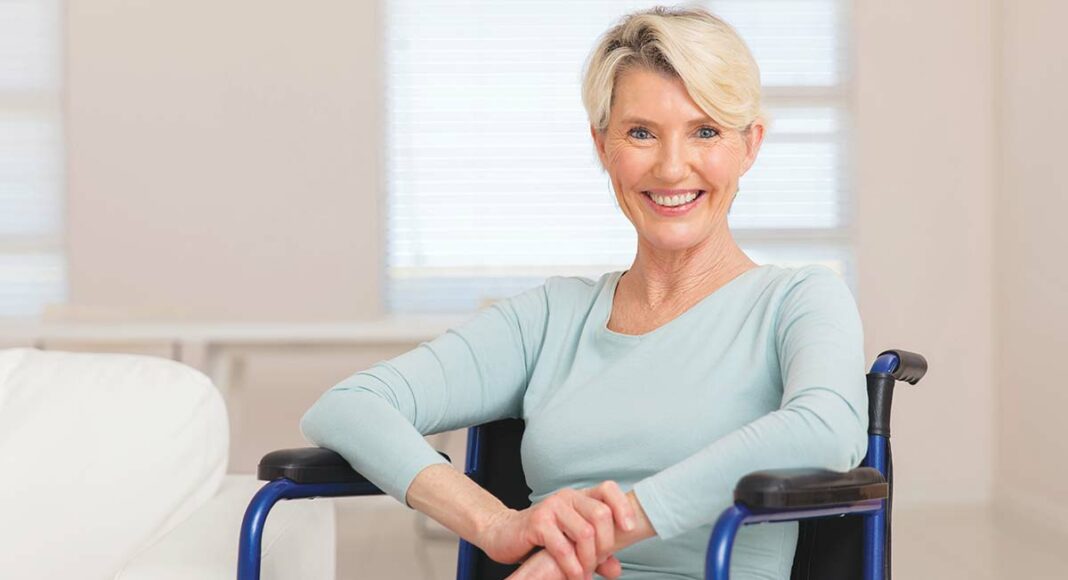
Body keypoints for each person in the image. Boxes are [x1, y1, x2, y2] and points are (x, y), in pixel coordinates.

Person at [300, 6, 867, 579]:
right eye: (641, 133)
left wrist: (607, 529)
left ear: (750, 146)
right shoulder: (550, 318)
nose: (673, 167)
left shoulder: (799, 299)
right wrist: (496, 525)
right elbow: (349, 406)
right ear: (602, 146)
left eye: (706, 131)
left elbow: (827, 429)